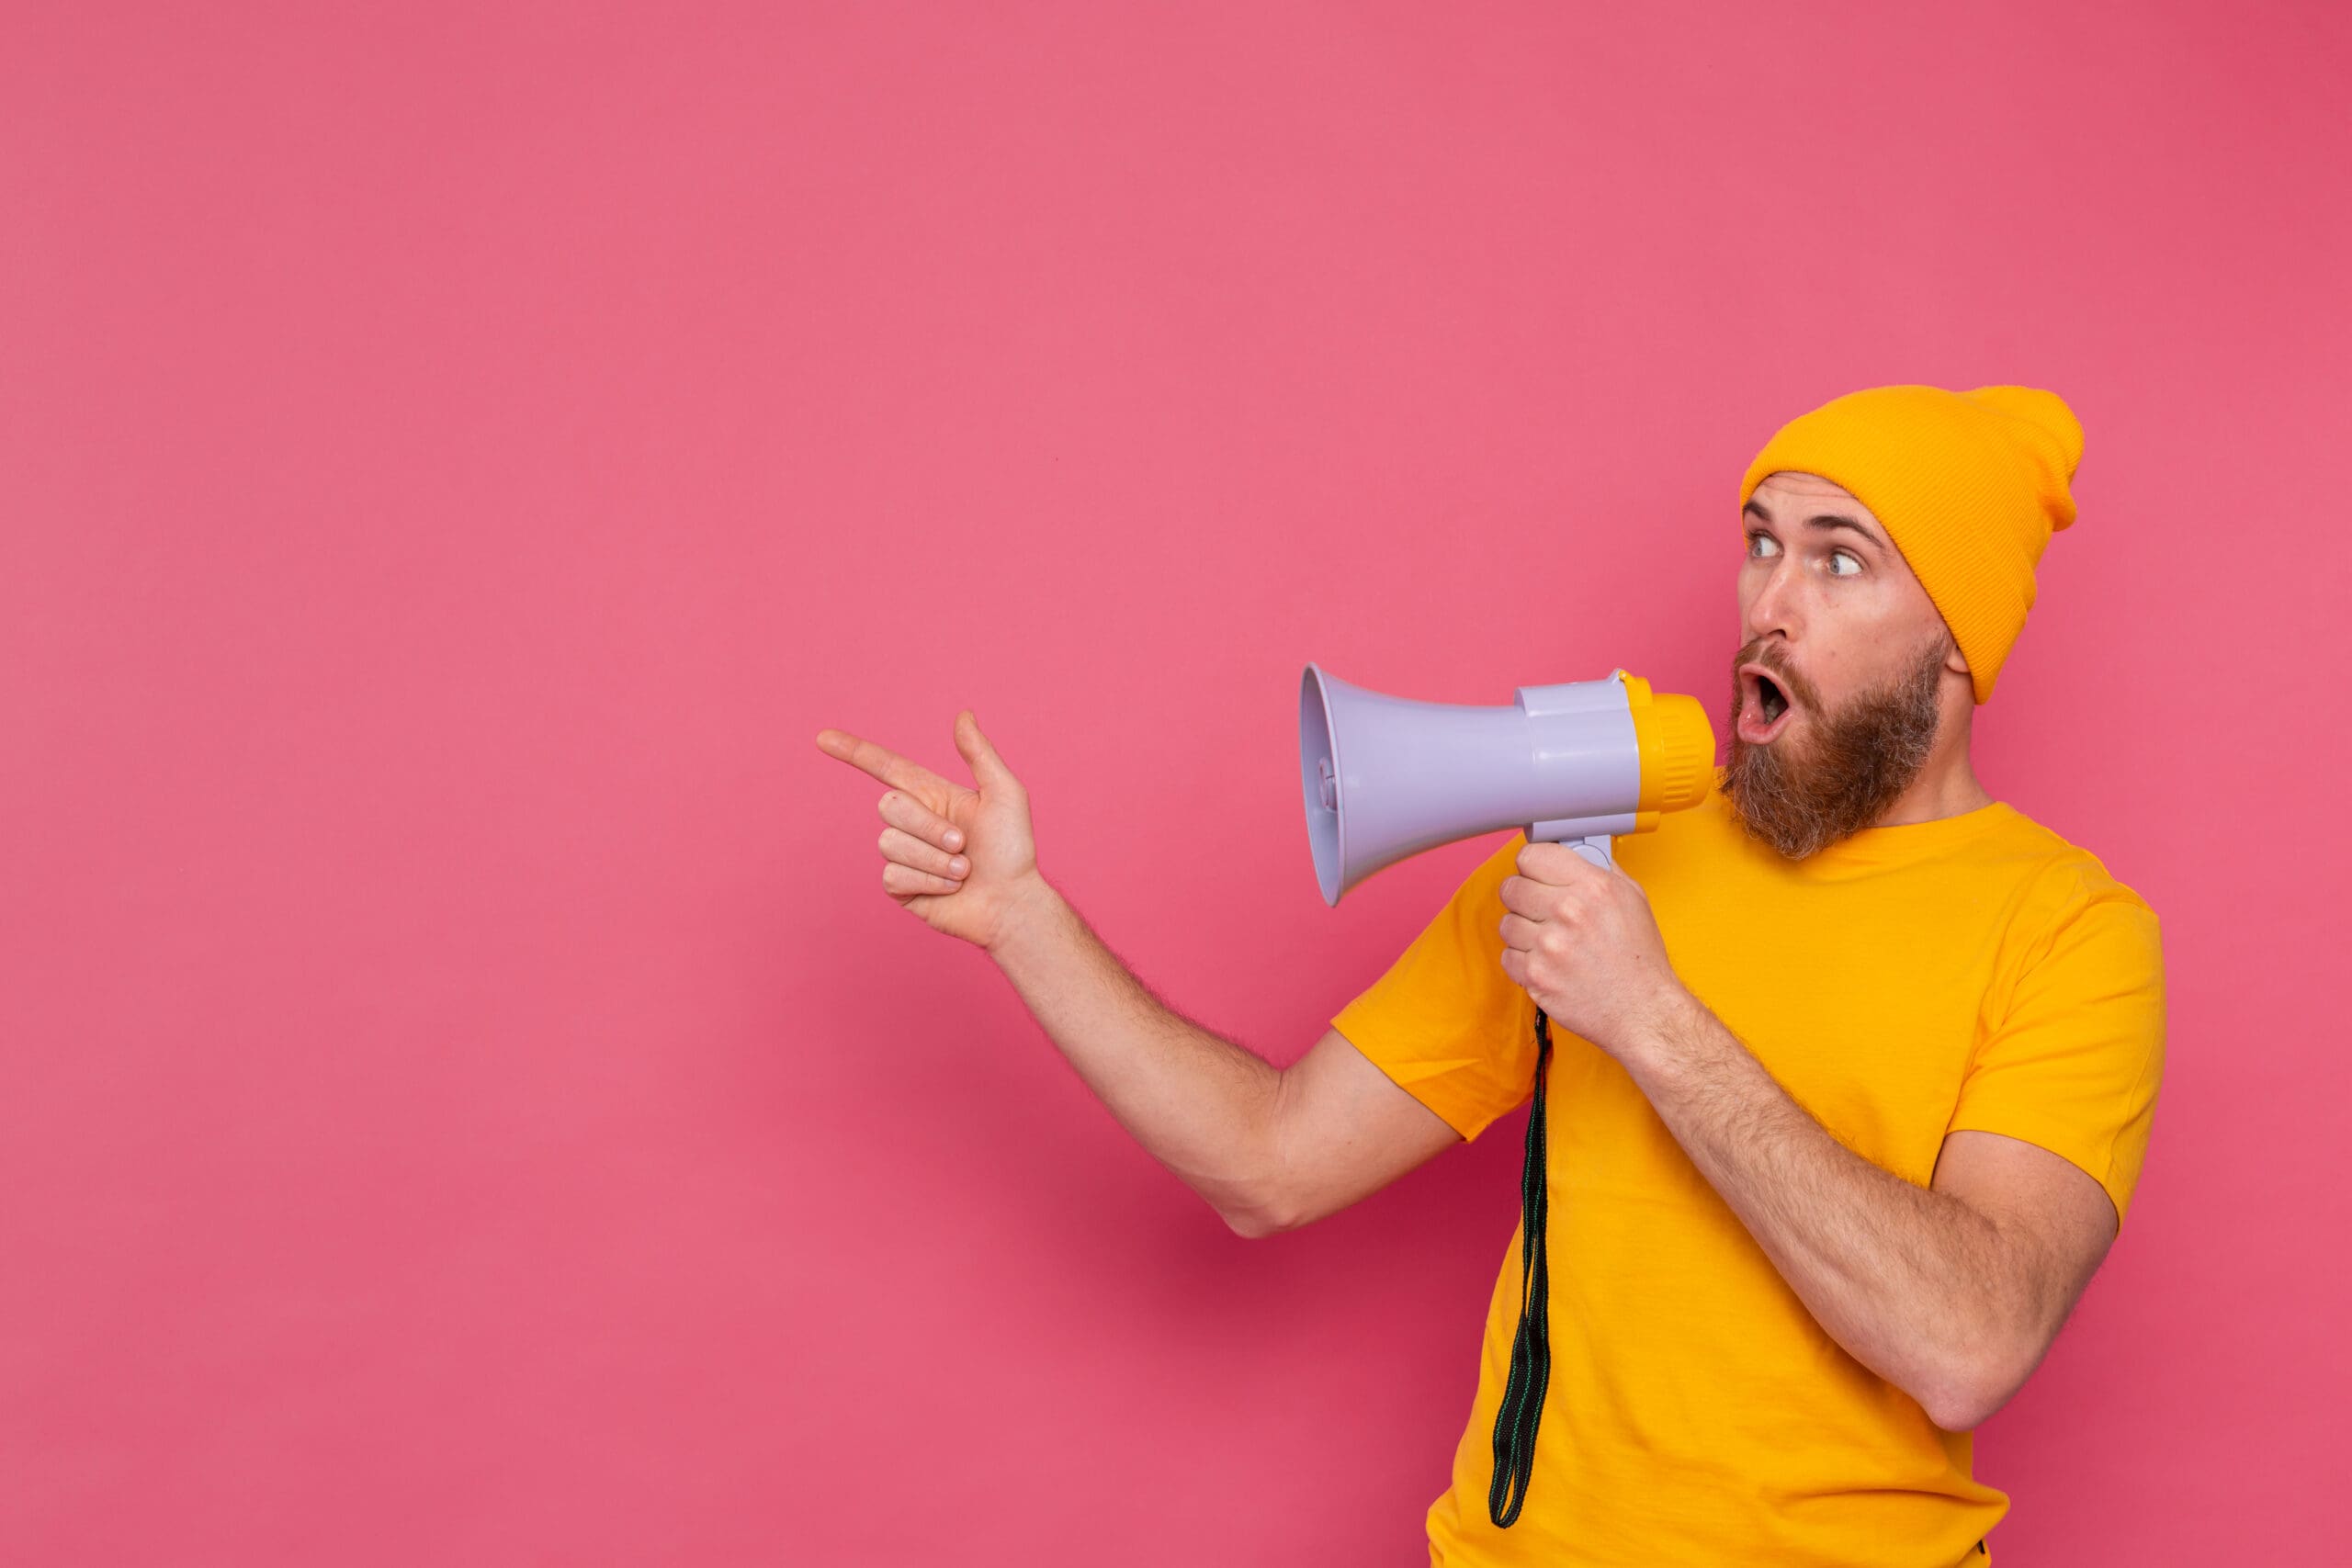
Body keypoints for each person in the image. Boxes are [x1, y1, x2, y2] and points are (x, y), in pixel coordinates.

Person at [813, 383, 2165, 1567]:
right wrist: (1023, 918)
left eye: (1841, 561)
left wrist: (1648, 1016)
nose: (1771, 604)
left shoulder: (2069, 933)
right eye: (1761, 543)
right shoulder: (1609, 856)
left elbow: (1968, 1345)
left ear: (1957, 639)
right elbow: (1268, 1160)